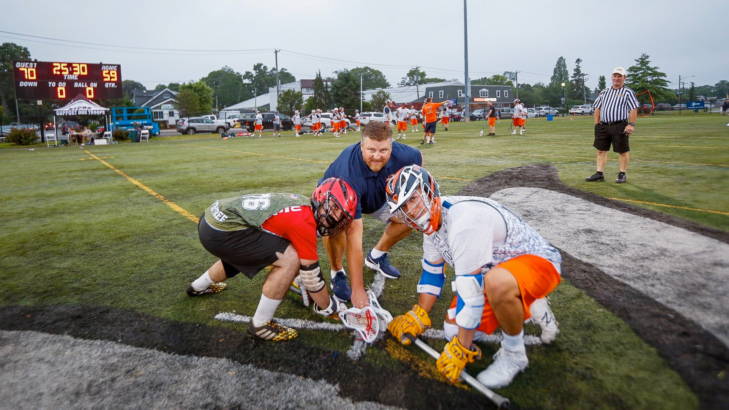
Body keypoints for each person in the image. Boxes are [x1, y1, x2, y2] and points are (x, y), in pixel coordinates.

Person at [385, 165, 562, 389]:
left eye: (413, 199)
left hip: (538, 262)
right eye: (403, 207)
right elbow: (432, 272)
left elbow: (470, 293)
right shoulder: (432, 223)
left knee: (495, 284)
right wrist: (419, 314)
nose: (410, 210)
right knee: (452, 329)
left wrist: (462, 347)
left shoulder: (463, 221)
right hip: (496, 271)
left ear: (429, 190)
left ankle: (514, 354)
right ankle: (530, 302)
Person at [186, 178, 358, 341]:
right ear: (321, 198)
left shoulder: (303, 204)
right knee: (290, 258)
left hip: (213, 219)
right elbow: (313, 279)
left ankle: (197, 286)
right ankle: (260, 324)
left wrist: (298, 277)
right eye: (334, 207)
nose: (335, 217)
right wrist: (329, 306)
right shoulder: (304, 221)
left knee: (246, 255)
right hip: (221, 231)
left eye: (341, 214)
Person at [320, 121, 423, 306]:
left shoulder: (405, 154)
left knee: (412, 215)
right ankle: (337, 272)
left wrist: (410, 189)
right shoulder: (348, 174)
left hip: (377, 193)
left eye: (383, 150)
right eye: (371, 150)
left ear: (391, 146)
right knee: (334, 226)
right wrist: (358, 290)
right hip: (340, 200)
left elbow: (418, 159)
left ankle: (376, 256)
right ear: (361, 146)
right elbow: (354, 236)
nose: (377, 156)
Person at [585, 67, 640, 184]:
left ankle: (622, 174)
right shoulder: (605, 91)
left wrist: (631, 124)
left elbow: (633, 109)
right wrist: (596, 124)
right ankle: (599, 173)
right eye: (615, 75)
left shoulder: (628, 92)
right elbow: (597, 107)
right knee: (601, 150)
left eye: (620, 76)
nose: (617, 78)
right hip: (604, 125)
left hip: (619, 125)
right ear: (611, 77)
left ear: (624, 78)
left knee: (622, 150)